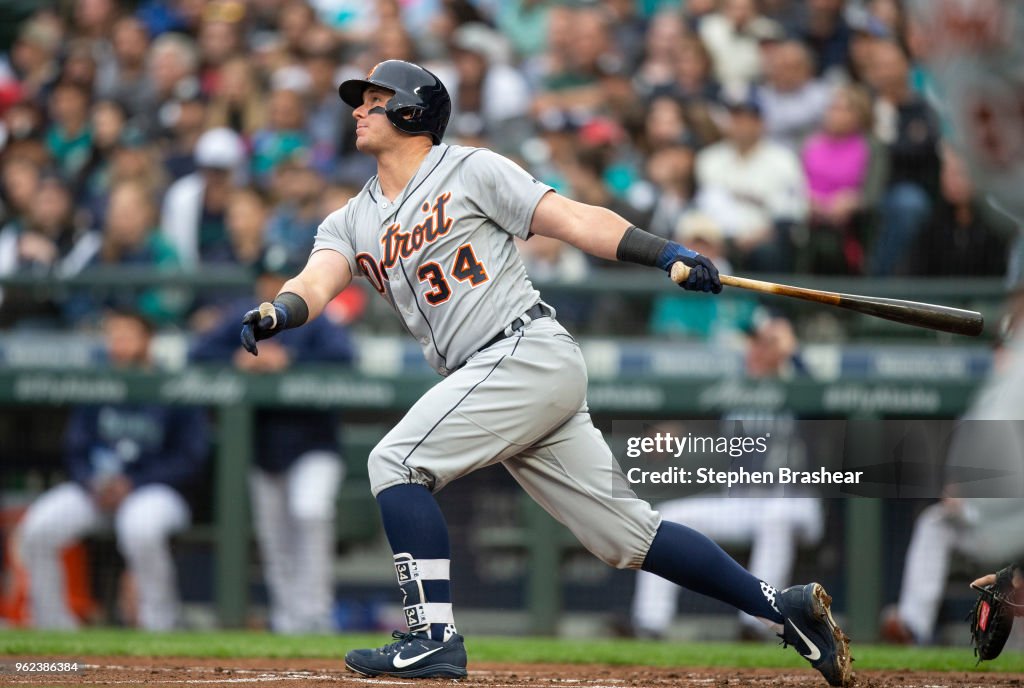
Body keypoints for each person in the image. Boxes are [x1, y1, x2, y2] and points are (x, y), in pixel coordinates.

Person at [238, 60, 853, 687]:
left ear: (411, 110)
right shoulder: (351, 217)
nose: (358, 111)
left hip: (522, 350)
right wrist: (278, 312)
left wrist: (665, 251)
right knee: (627, 536)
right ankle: (784, 609)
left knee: (395, 463)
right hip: (499, 373)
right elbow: (315, 281)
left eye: (374, 99)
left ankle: (432, 636)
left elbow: (577, 219)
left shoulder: (470, 169)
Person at [630, 316, 823, 641]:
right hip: (743, 501)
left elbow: (822, 400)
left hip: (795, 501)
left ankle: (756, 623)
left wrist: (794, 354)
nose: (758, 351)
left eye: (767, 345)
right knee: (668, 519)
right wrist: (674, 434)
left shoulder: (797, 388)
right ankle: (650, 623)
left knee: (776, 518)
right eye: (755, 344)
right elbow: (701, 421)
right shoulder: (733, 390)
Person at [192, 250, 353, 633]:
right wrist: (237, 359)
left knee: (310, 511)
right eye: (266, 277)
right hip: (261, 447)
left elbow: (346, 359)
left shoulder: (316, 318)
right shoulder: (242, 317)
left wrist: (290, 360)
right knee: (275, 536)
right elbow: (196, 355)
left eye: (280, 276)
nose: (272, 285)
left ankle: (316, 613)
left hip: (314, 443)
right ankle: (288, 619)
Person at [17, 309, 209, 630]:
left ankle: (159, 626)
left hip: (154, 492)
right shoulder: (99, 383)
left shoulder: (172, 386)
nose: (118, 345)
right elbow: (75, 449)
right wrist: (91, 481)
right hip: (96, 492)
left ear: (148, 341)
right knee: (37, 529)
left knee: (141, 528)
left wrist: (134, 482)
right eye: (114, 337)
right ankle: (53, 626)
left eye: (127, 336)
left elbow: (190, 459)